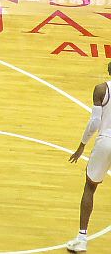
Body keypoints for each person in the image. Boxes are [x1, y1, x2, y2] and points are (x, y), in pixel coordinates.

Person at [65, 62, 111, 253]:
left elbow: (94, 122)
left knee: (90, 187)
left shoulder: (101, 89)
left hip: (105, 140)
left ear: (109, 69)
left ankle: (82, 238)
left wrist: (82, 145)